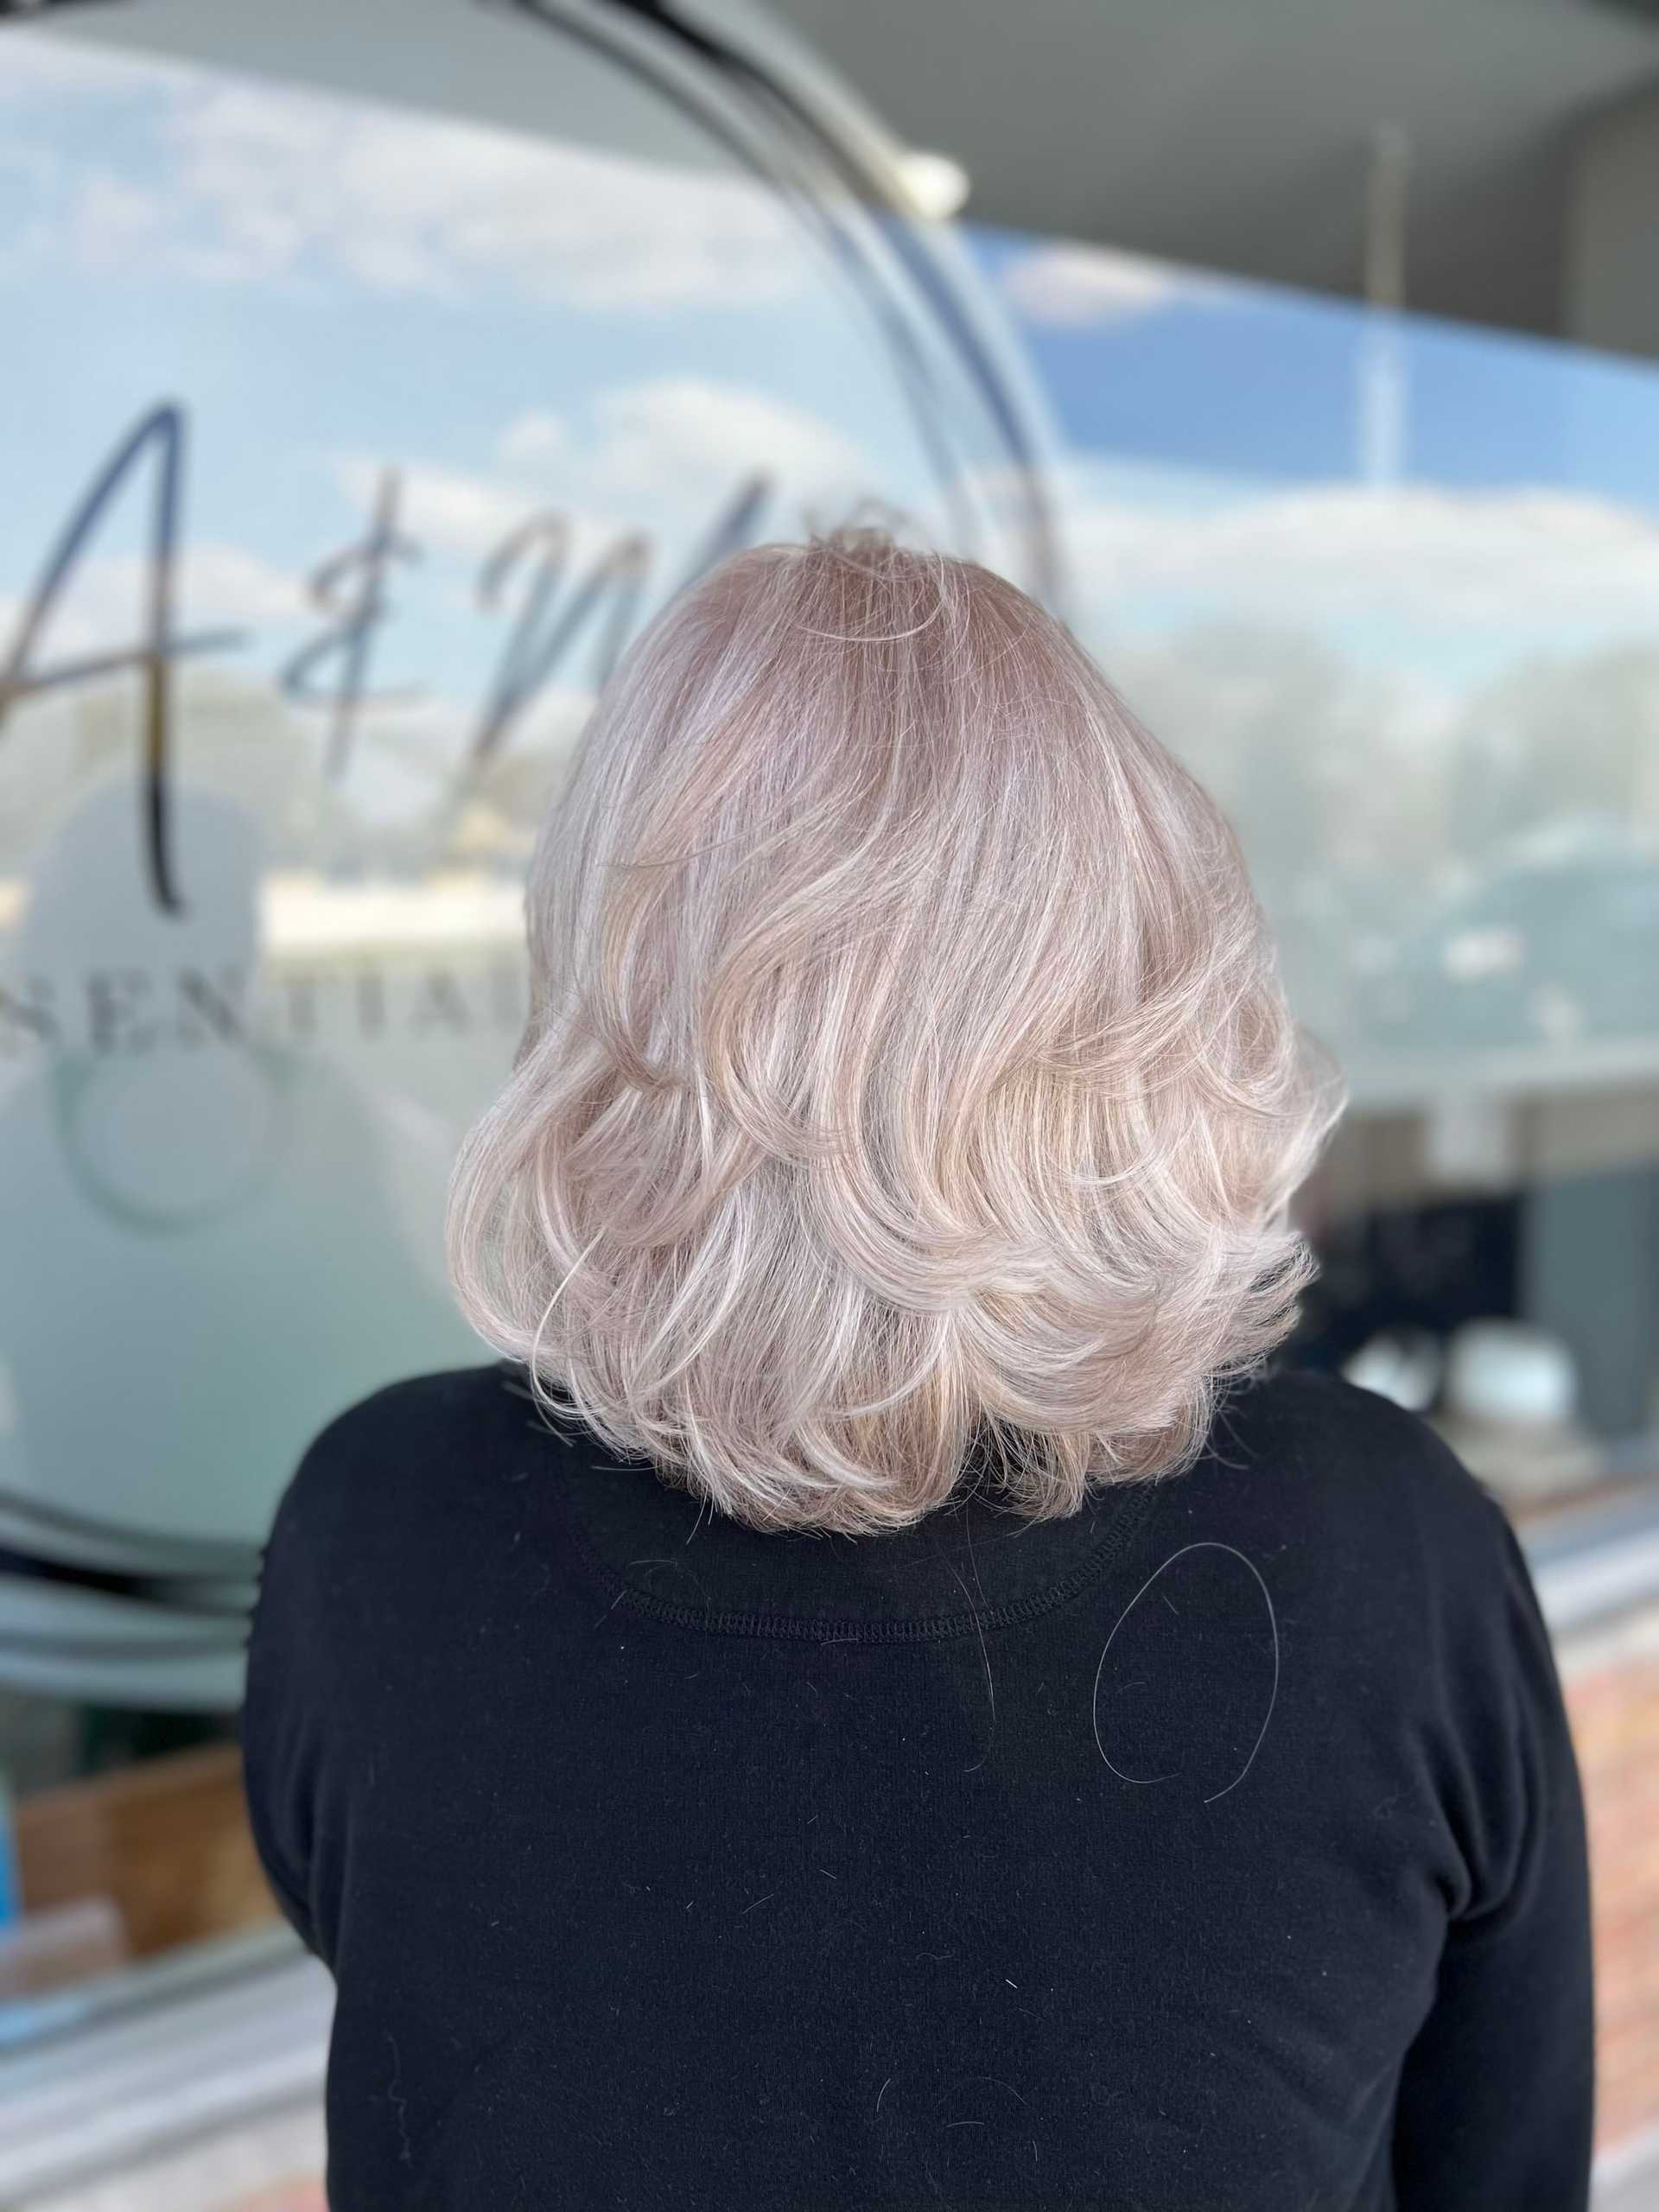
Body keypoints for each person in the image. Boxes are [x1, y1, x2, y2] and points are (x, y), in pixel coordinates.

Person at [242, 529, 1594, 2210]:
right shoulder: (1384, 1554)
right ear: (1149, 970)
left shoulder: (385, 1528)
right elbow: (1506, 2168)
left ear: (607, 966)